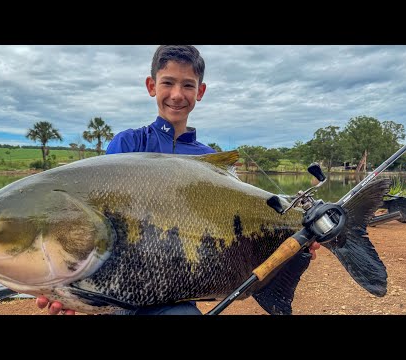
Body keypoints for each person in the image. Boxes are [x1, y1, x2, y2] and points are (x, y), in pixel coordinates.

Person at [36, 45, 321, 315]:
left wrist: (299, 238)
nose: (177, 94)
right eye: (168, 83)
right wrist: (69, 289)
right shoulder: (126, 144)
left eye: (187, 85)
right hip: (120, 294)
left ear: (201, 92)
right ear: (151, 86)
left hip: (177, 297)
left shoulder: (209, 161)